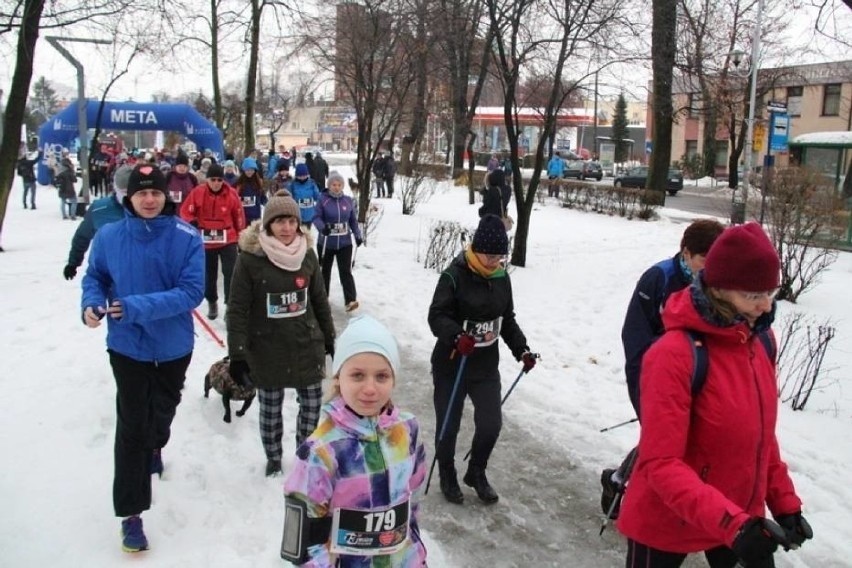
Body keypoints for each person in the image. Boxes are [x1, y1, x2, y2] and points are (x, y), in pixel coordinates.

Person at [617, 222, 812, 567]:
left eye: (770, 292)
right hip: (670, 514)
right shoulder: (674, 353)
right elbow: (661, 464)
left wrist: (784, 501)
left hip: (740, 510)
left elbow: (759, 436)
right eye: (753, 296)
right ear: (718, 289)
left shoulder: (761, 341)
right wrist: (733, 526)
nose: (766, 306)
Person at [80, 164, 204, 553]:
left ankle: (156, 443)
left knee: (161, 415)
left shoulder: (187, 237)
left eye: (155, 192)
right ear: (128, 197)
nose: (149, 199)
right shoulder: (109, 236)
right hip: (127, 347)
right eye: (141, 193)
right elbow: (94, 277)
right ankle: (131, 515)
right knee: (131, 426)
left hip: (172, 347)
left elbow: (191, 293)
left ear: (166, 195)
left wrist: (134, 306)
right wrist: (90, 303)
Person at [282, 315, 428, 567]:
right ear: (338, 378)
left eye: (381, 376)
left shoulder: (407, 430)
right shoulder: (319, 452)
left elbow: (411, 499)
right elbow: (304, 545)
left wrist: (417, 556)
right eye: (358, 375)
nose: (370, 388)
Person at [427, 214, 536, 505]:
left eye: (500, 255)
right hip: (452, 362)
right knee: (449, 425)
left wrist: (522, 350)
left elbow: (507, 320)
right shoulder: (454, 275)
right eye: (490, 255)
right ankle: (447, 473)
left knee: (491, 424)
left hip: (485, 366)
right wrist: (455, 336)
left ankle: (476, 471)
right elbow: (436, 315)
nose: (494, 261)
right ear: (476, 249)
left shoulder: (502, 278)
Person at [226, 190, 336, 477]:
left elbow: (319, 300)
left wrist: (329, 337)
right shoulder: (250, 259)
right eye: (279, 222)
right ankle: (273, 457)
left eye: (291, 221)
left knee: (312, 406)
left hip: (306, 343)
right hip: (266, 347)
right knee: (271, 410)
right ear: (267, 225)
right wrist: (237, 354)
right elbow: (237, 309)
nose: (287, 228)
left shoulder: (308, 255)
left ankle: (305, 454)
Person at [621, 219, 725, 417]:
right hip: (661, 380)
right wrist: (643, 399)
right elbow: (635, 338)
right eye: (704, 259)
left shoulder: (724, 288)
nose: (711, 268)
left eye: (717, 260)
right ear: (686, 253)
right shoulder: (659, 278)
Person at [180, 163, 246, 320]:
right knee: (209, 274)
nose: (216, 183)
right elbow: (185, 211)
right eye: (213, 179)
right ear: (208, 179)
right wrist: (192, 221)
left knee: (231, 272)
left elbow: (239, 215)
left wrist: (241, 236)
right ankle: (212, 301)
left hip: (227, 238)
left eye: (219, 180)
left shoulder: (231, 194)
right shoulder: (198, 193)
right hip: (207, 239)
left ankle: (231, 306)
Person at [63, 165, 133, 281]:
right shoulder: (99, 209)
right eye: (123, 191)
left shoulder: (147, 209)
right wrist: (73, 263)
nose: (126, 196)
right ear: (115, 188)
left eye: (130, 191)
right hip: (110, 273)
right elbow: (82, 236)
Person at [313, 171, 363, 312]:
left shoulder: (347, 200)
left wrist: (357, 235)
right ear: (329, 185)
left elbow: (352, 220)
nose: (336, 187)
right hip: (326, 243)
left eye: (339, 185)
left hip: (344, 243)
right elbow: (316, 217)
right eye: (334, 184)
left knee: (345, 271)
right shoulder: (323, 199)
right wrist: (323, 228)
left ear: (342, 186)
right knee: (325, 272)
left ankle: (350, 300)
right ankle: (323, 299)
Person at [235, 157, 268, 225]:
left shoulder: (258, 183)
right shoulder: (238, 184)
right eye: (247, 170)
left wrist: (268, 203)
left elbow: (262, 197)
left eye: (252, 170)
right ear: (244, 170)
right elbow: (234, 198)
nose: (250, 172)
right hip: (243, 217)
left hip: (256, 217)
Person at [290, 163, 322, 231]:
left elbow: (317, 196)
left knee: (306, 235)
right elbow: (290, 198)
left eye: (304, 175)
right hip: (297, 215)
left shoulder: (312, 183)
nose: (302, 177)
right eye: (300, 176)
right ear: (296, 175)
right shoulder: (293, 185)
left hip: (309, 215)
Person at [54, 155, 78, 220]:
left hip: (62, 189)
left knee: (63, 201)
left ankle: (64, 215)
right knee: (74, 201)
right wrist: (73, 171)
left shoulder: (59, 172)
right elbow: (75, 180)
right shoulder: (69, 172)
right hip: (70, 189)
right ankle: (73, 215)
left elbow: (56, 181)